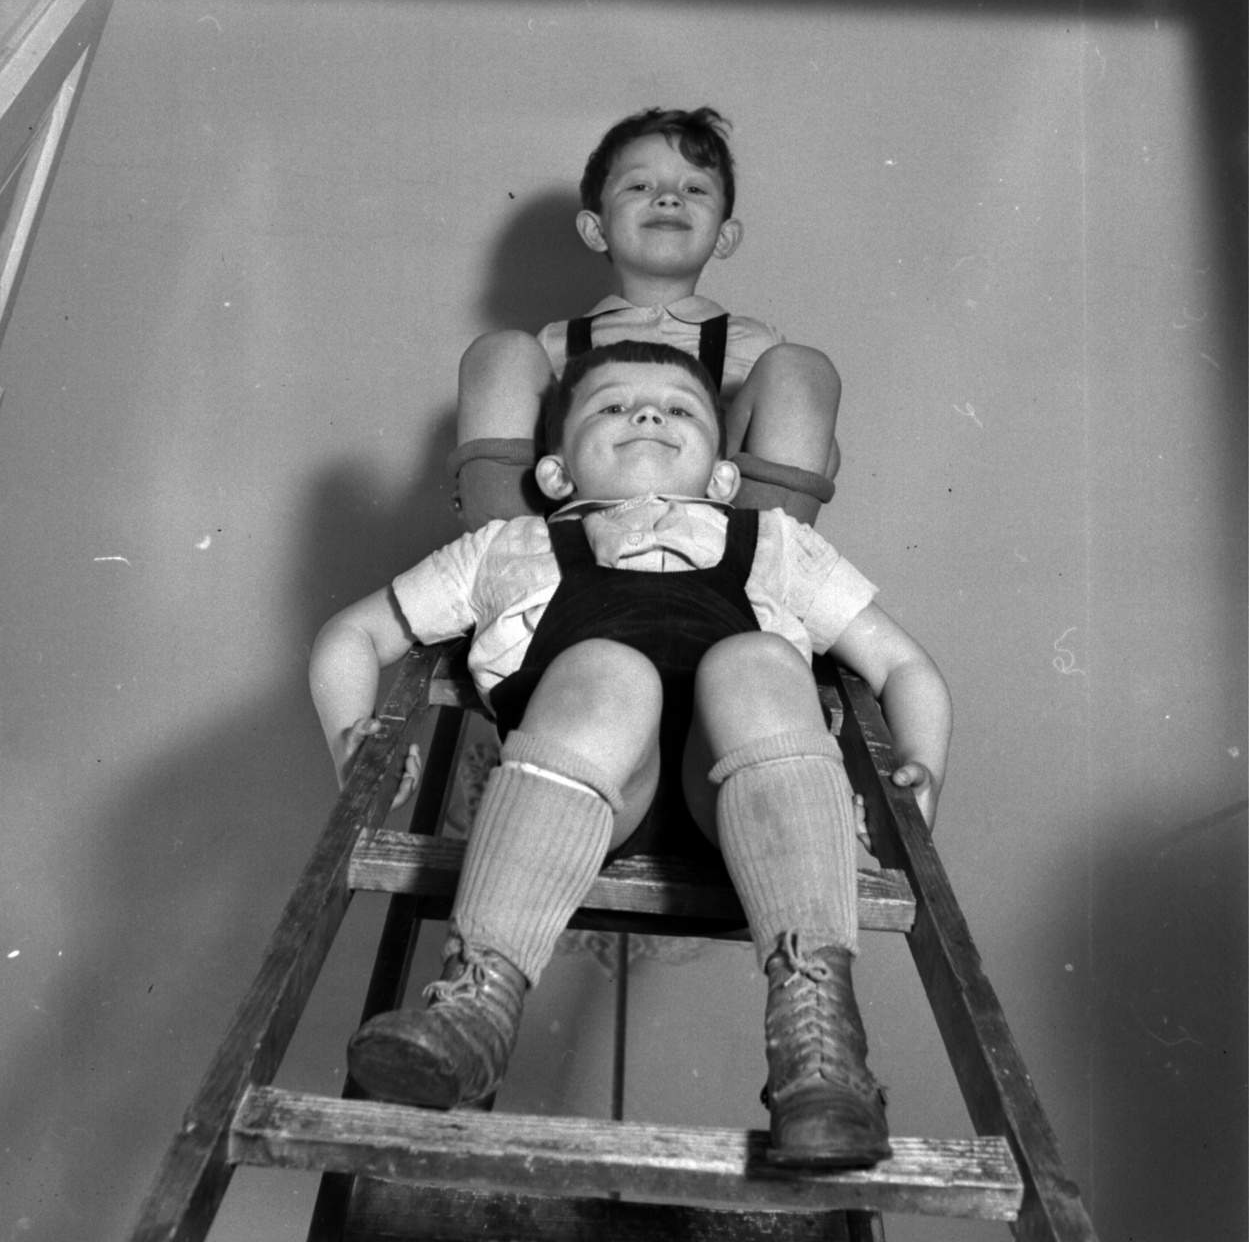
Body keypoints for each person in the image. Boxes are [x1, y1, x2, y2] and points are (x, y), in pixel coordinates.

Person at [310, 340, 951, 1169]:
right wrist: (348, 737)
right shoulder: (507, 547)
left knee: (754, 661)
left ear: (724, 476)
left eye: (679, 409)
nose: (646, 414)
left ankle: (817, 1044)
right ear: (552, 474)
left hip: (762, 829)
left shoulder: (774, 543)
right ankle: (476, 1002)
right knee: (604, 669)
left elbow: (906, 667)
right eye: (611, 406)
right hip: (575, 817)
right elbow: (352, 634)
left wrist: (921, 780)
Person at [449, 107, 842, 531]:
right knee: (501, 352)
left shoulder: (755, 342)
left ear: (724, 236)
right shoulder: (554, 344)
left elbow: (820, 458)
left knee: (802, 368)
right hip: (574, 531)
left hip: (719, 533)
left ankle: (767, 555)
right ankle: (506, 550)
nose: (669, 197)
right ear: (596, 230)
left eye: (694, 188)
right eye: (640, 185)